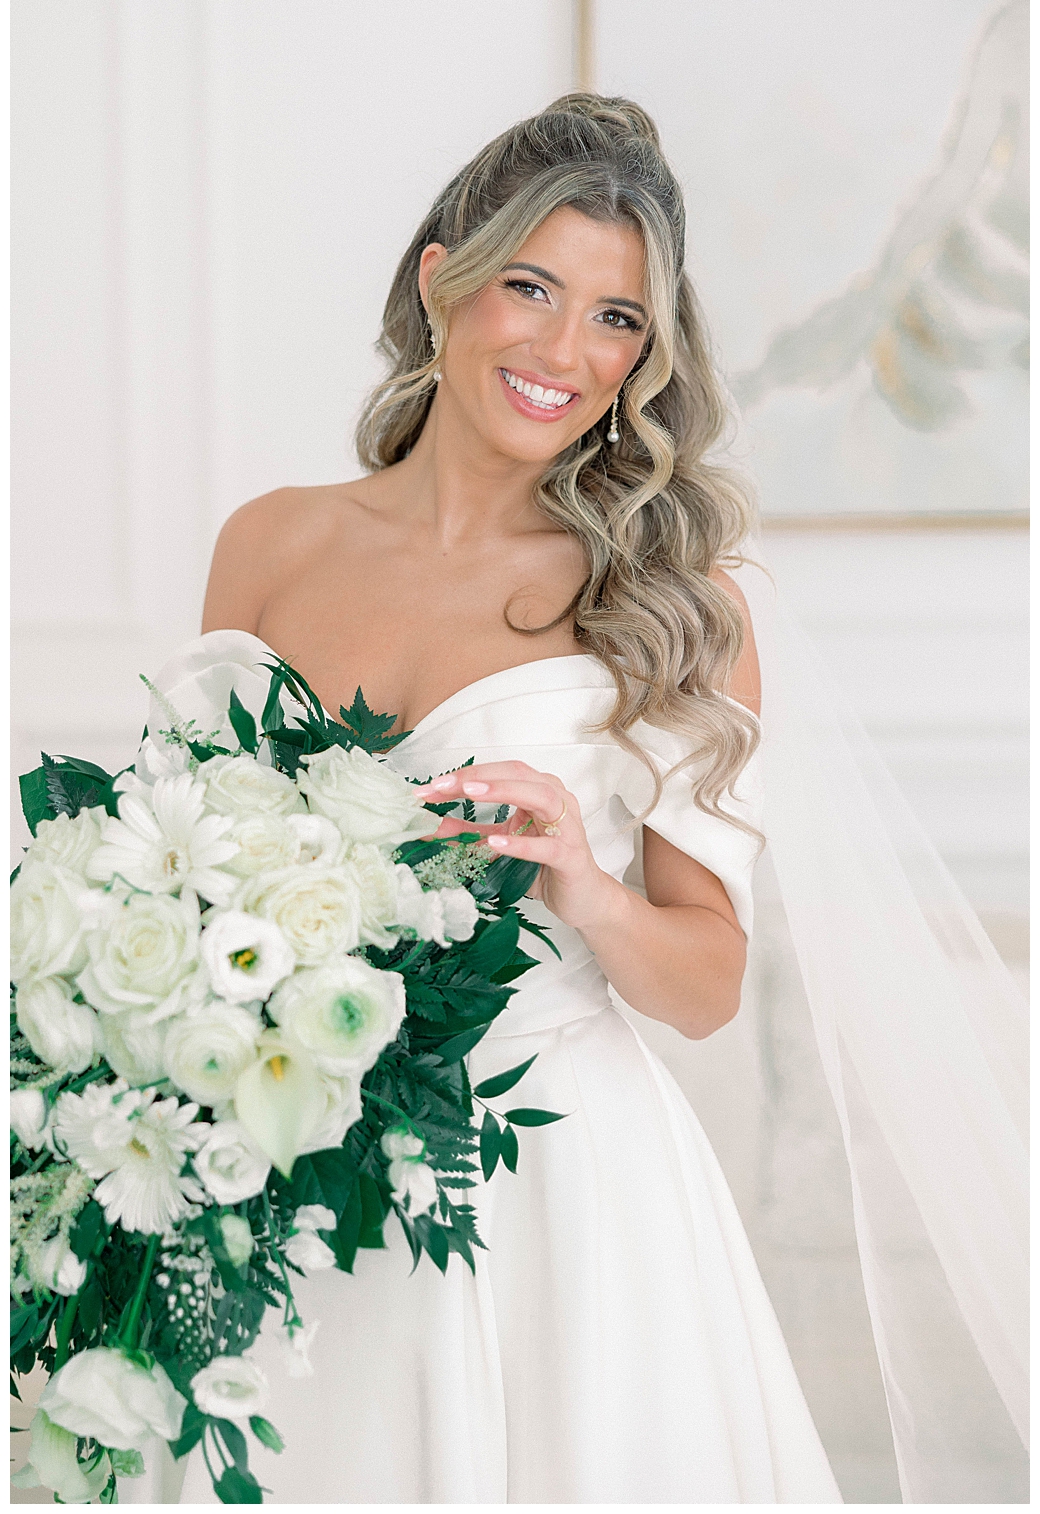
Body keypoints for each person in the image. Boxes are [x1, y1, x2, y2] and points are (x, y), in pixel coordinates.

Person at [171, 94, 841, 1503]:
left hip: (559, 1194)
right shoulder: (271, 542)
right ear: (441, 283)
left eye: (615, 319)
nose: (563, 351)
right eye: (530, 287)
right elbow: (186, 876)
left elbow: (708, 981)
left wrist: (582, 884)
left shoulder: (677, 605)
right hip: (288, 1163)